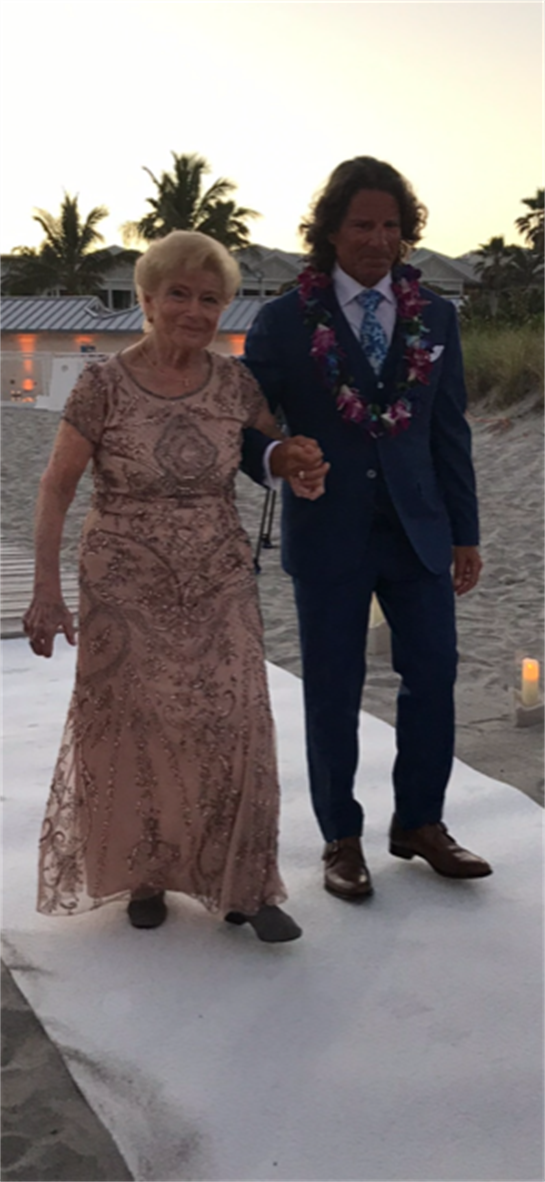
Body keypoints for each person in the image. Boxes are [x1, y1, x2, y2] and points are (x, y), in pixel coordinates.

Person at [23, 230, 327, 941]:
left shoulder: (234, 381)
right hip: (122, 581)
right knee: (136, 726)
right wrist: (48, 589)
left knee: (233, 719)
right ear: (149, 300)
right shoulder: (100, 383)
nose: (195, 310)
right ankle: (144, 872)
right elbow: (56, 486)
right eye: (180, 294)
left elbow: (269, 455)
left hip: (217, 575)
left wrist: (298, 465)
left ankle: (245, 886)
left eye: (210, 298)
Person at [241, 156, 493, 900]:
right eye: (361, 224)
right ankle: (339, 837)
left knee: (434, 678)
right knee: (331, 686)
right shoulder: (284, 321)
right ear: (330, 230)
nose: (377, 239)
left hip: (419, 529)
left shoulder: (437, 317)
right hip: (329, 530)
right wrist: (276, 456)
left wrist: (464, 532)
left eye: (390, 225)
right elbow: (241, 424)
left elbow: (449, 432)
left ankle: (419, 821)